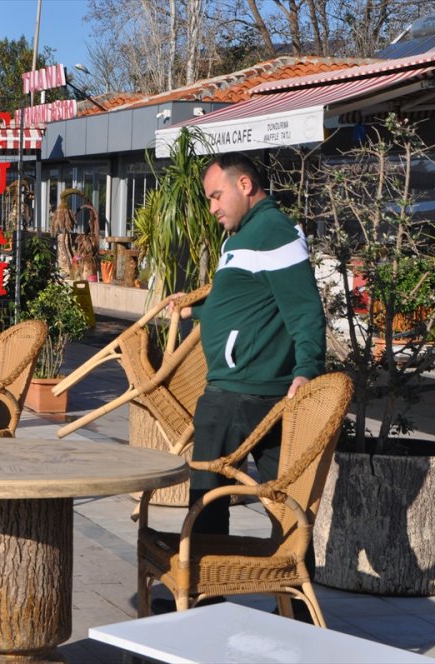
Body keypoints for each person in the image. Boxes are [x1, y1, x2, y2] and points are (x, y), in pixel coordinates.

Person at [156, 152, 326, 614]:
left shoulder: (272, 231)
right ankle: (295, 609)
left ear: (245, 185)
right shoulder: (246, 235)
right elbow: (246, 302)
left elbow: (304, 308)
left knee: (208, 496)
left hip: (242, 391)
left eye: (217, 196)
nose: (212, 207)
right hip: (242, 386)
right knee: (282, 500)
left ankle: (204, 604)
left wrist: (307, 368)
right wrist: (196, 310)